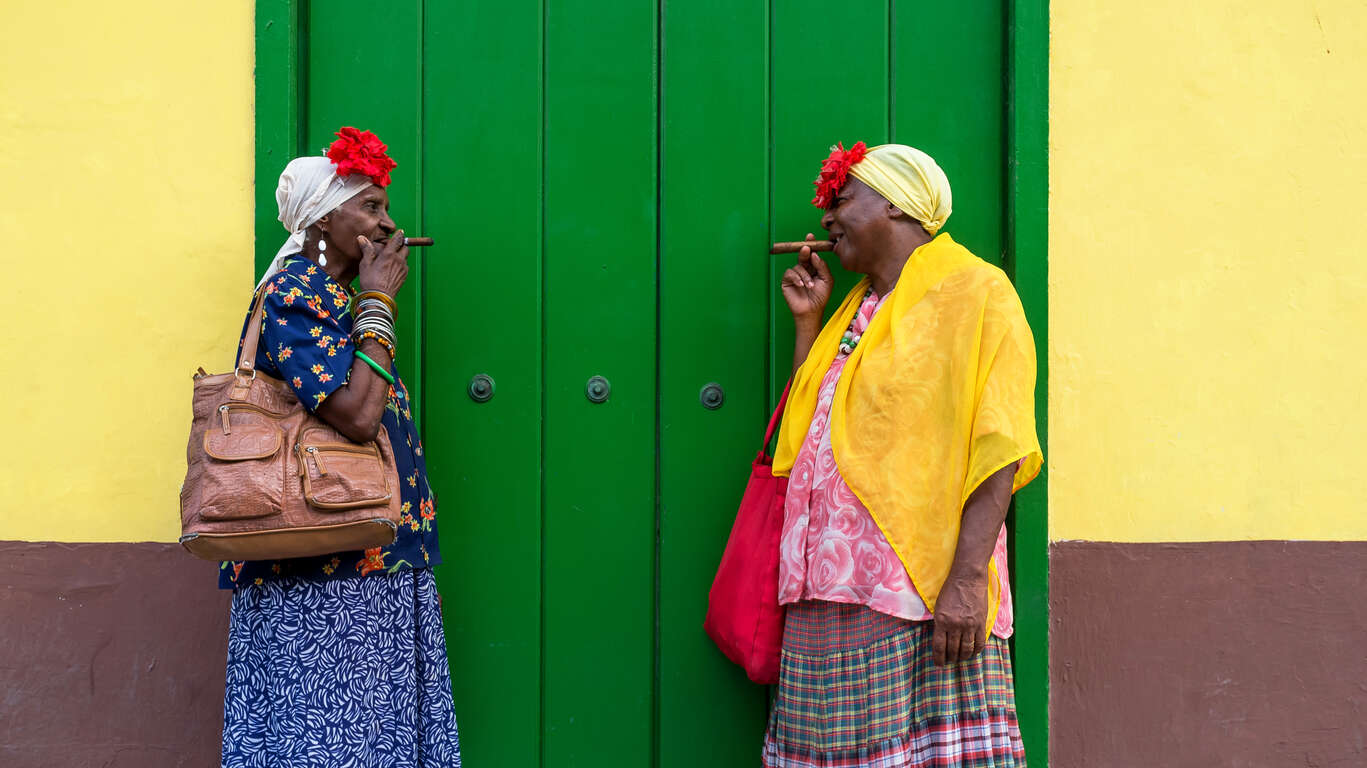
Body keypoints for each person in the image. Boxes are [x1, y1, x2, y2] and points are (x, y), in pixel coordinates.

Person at [764, 142, 1041, 767]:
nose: (829, 218)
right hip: (829, 592)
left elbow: (999, 447)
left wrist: (968, 580)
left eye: (844, 201)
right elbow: (814, 429)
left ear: (894, 205)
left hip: (915, 596)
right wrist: (809, 324)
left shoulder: (975, 293)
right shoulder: (858, 310)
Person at [219, 127, 461, 767]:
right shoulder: (296, 294)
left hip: (363, 556)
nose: (388, 225)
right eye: (371, 208)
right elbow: (355, 414)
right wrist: (380, 301)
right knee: (336, 740)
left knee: (367, 738)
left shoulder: (330, 298)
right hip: (324, 570)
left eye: (386, 208)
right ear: (323, 220)